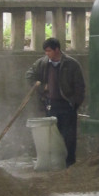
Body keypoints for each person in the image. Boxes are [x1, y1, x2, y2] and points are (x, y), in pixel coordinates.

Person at [26, 37, 85, 168]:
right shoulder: (42, 63)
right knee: (52, 136)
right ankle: (55, 163)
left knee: (69, 136)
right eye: (45, 51)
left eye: (49, 51)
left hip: (67, 104)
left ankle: (70, 163)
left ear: (57, 49)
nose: (47, 54)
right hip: (50, 104)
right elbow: (29, 75)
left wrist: (74, 103)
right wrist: (41, 87)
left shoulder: (71, 64)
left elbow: (80, 86)